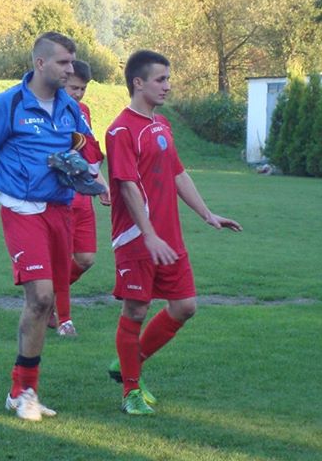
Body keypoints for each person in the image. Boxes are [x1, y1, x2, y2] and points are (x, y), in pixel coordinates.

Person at [0, 32, 95, 422]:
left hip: (60, 211)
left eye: (72, 62)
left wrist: (85, 171)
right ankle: (22, 391)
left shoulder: (70, 108)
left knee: (46, 302)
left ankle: (24, 391)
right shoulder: (8, 105)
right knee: (40, 297)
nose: (70, 70)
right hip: (21, 211)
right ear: (40, 63)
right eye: (63, 62)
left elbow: (85, 149)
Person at [104, 50, 242, 415]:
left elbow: (178, 174)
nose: (167, 86)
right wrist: (148, 234)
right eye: (160, 79)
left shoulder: (162, 124)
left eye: (168, 79)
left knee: (185, 306)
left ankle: (128, 364)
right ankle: (130, 392)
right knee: (136, 309)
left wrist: (207, 214)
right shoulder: (120, 130)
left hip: (169, 237)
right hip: (137, 238)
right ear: (138, 82)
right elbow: (127, 187)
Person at [48, 59, 110, 337]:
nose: (78, 93)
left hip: (83, 199)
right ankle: (64, 320)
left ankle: (45, 296)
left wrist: (101, 185)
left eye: (83, 89)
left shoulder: (83, 112)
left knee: (85, 259)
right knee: (61, 261)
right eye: (73, 87)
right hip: (59, 198)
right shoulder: (47, 110)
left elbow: (88, 156)